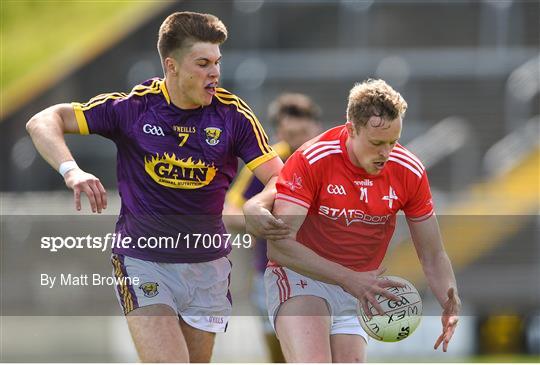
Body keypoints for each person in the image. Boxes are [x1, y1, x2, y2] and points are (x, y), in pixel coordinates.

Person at [26, 11, 288, 363]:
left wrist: (258, 203)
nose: (214, 73)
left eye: (217, 62)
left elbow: (281, 177)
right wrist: (71, 170)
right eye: (203, 63)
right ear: (172, 65)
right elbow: (42, 120)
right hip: (143, 260)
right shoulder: (134, 108)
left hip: (207, 266)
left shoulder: (233, 115)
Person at [265, 79, 461, 362]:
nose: (386, 153)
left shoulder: (409, 171)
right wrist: (348, 278)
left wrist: (449, 300)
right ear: (351, 130)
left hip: (359, 290)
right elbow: (280, 247)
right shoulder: (312, 159)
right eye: (376, 143)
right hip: (301, 278)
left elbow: (432, 254)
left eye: (393, 142)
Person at [224, 93, 322, 362]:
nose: (298, 140)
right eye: (290, 134)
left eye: (303, 132)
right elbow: (229, 212)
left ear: (316, 128)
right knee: (280, 356)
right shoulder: (268, 164)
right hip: (272, 275)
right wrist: (262, 224)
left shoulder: (333, 160)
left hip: (325, 274)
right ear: (279, 132)